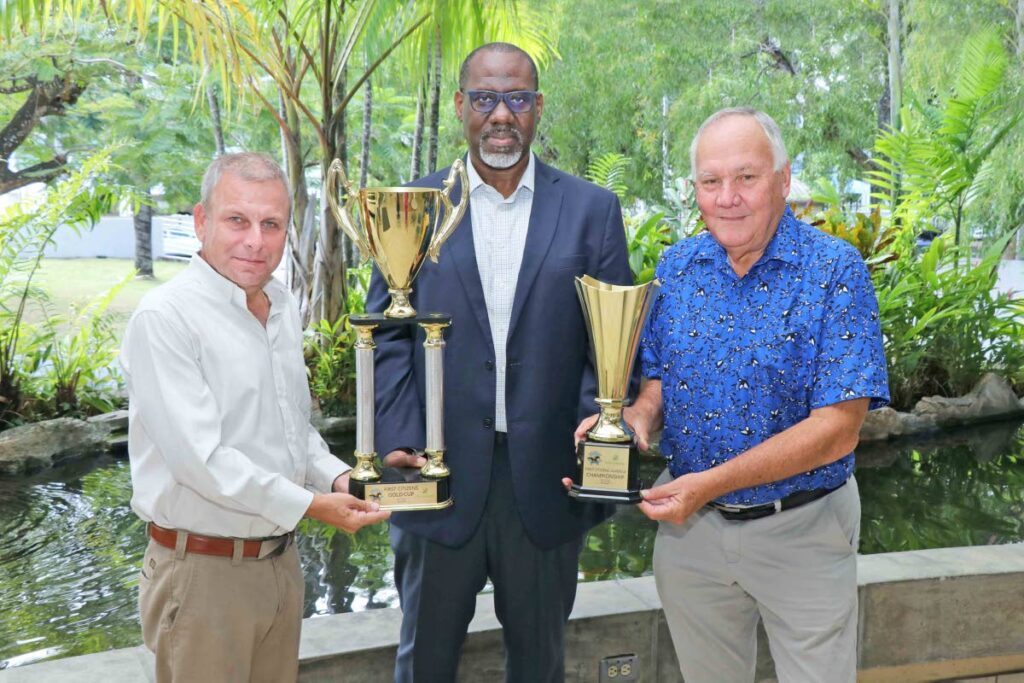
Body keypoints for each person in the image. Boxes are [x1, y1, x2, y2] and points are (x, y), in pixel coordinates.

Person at [584, 108, 890, 682]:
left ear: (783, 179)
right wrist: (634, 421)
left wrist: (707, 484)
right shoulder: (678, 266)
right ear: (694, 189)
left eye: (746, 177)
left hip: (803, 529)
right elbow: (658, 382)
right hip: (692, 540)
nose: (728, 197)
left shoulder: (834, 271)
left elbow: (838, 427)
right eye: (711, 181)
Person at [367, 42, 633, 682]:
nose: (501, 115)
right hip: (437, 480)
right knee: (423, 665)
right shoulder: (414, 207)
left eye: (516, 98)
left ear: (537, 108)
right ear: (460, 106)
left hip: (544, 486)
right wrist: (402, 438)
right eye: (484, 99)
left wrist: (596, 432)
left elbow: (613, 341)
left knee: (540, 666)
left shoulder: (592, 210)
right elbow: (387, 334)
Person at [121, 152, 390, 683]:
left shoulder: (281, 306)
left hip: (279, 564)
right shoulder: (165, 319)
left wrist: (340, 477)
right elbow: (203, 463)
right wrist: (315, 505)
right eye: (237, 220)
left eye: (271, 224)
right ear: (201, 221)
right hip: (201, 577)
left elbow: (295, 430)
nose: (255, 241)